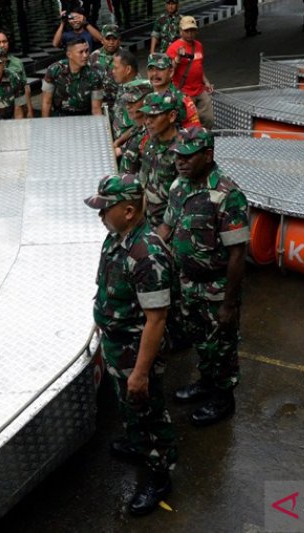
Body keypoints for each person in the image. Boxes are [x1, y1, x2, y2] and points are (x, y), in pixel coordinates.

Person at [85, 173, 177, 516]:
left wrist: (140, 372)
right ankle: (138, 444)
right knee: (129, 405)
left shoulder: (146, 254)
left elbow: (156, 319)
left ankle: (158, 471)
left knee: (148, 408)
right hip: (117, 344)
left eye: (104, 209)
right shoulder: (117, 239)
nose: (100, 215)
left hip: (136, 350)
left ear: (127, 211)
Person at [157, 127, 249, 427]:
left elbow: (237, 253)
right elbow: (167, 228)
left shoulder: (227, 195)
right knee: (200, 340)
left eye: (187, 156)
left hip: (216, 287)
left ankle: (223, 399)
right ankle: (206, 383)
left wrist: (229, 304)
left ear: (208, 156)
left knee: (221, 346)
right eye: (177, 156)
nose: (180, 162)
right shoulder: (178, 186)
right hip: (187, 284)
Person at [138, 93, 178, 230]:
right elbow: (143, 182)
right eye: (147, 116)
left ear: (171, 116)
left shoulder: (183, 151)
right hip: (147, 223)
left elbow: (182, 200)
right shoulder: (152, 142)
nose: (148, 121)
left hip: (168, 229)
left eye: (154, 116)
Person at [166, 17, 215, 128]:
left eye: (192, 30)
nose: (190, 34)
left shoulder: (199, 46)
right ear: (180, 31)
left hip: (200, 90)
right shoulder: (173, 48)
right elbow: (168, 72)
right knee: (188, 123)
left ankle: (204, 141)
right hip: (184, 93)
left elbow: (199, 66)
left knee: (208, 120)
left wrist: (206, 82)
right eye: (187, 31)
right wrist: (178, 58)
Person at [42, 38, 104, 117]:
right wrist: (45, 125)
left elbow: (96, 109)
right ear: (69, 54)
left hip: (85, 117)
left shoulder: (95, 75)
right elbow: (46, 102)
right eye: (80, 52)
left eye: (86, 51)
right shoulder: (54, 70)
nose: (85, 55)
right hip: (60, 116)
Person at [147, 53, 200, 129]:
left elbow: (195, 130)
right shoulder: (144, 95)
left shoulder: (182, 100)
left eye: (160, 69)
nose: (154, 73)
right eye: (151, 69)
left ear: (171, 72)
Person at [0, 29, 34, 117]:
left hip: (17, 110)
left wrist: (30, 111)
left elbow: (25, 88)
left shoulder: (17, 63)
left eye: (4, 41)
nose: (2, 45)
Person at [113, 79, 152, 173]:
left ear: (147, 100)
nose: (128, 106)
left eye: (132, 101)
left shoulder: (151, 133)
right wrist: (117, 144)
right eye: (127, 101)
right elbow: (134, 129)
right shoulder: (140, 125)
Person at [111, 48, 142, 139]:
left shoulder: (138, 91)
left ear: (128, 69)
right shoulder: (124, 83)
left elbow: (138, 125)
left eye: (116, 68)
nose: (113, 71)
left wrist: (117, 143)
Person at [89, 25, 122, 110]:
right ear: (102, 40)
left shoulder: (125, 57)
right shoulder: (94, 56)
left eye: (114, 39)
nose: (111, 42)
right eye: (108, 39)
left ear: (119, 40)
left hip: (118, 104)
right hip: (98, 104)